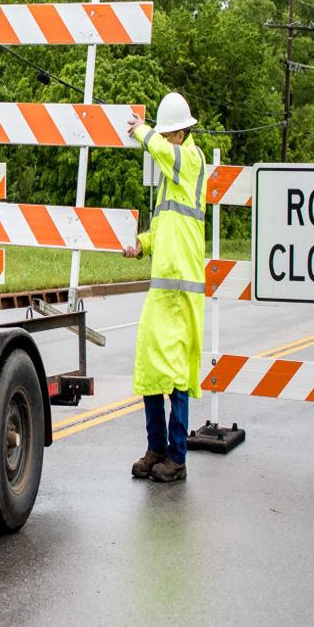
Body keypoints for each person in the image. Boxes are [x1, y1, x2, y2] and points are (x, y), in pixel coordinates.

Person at [123, 91, 207, 483]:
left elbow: (163, 152)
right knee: (150, 367)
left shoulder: (189, 159)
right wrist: (142, 243)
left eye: (172, 133)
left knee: (176, 375)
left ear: (182, 132)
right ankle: (156, 448)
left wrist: (142, 132)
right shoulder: (167, 183)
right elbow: (164, 229)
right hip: (163, 289)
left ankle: (177, 456)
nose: (170, 139)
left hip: (184, 289)